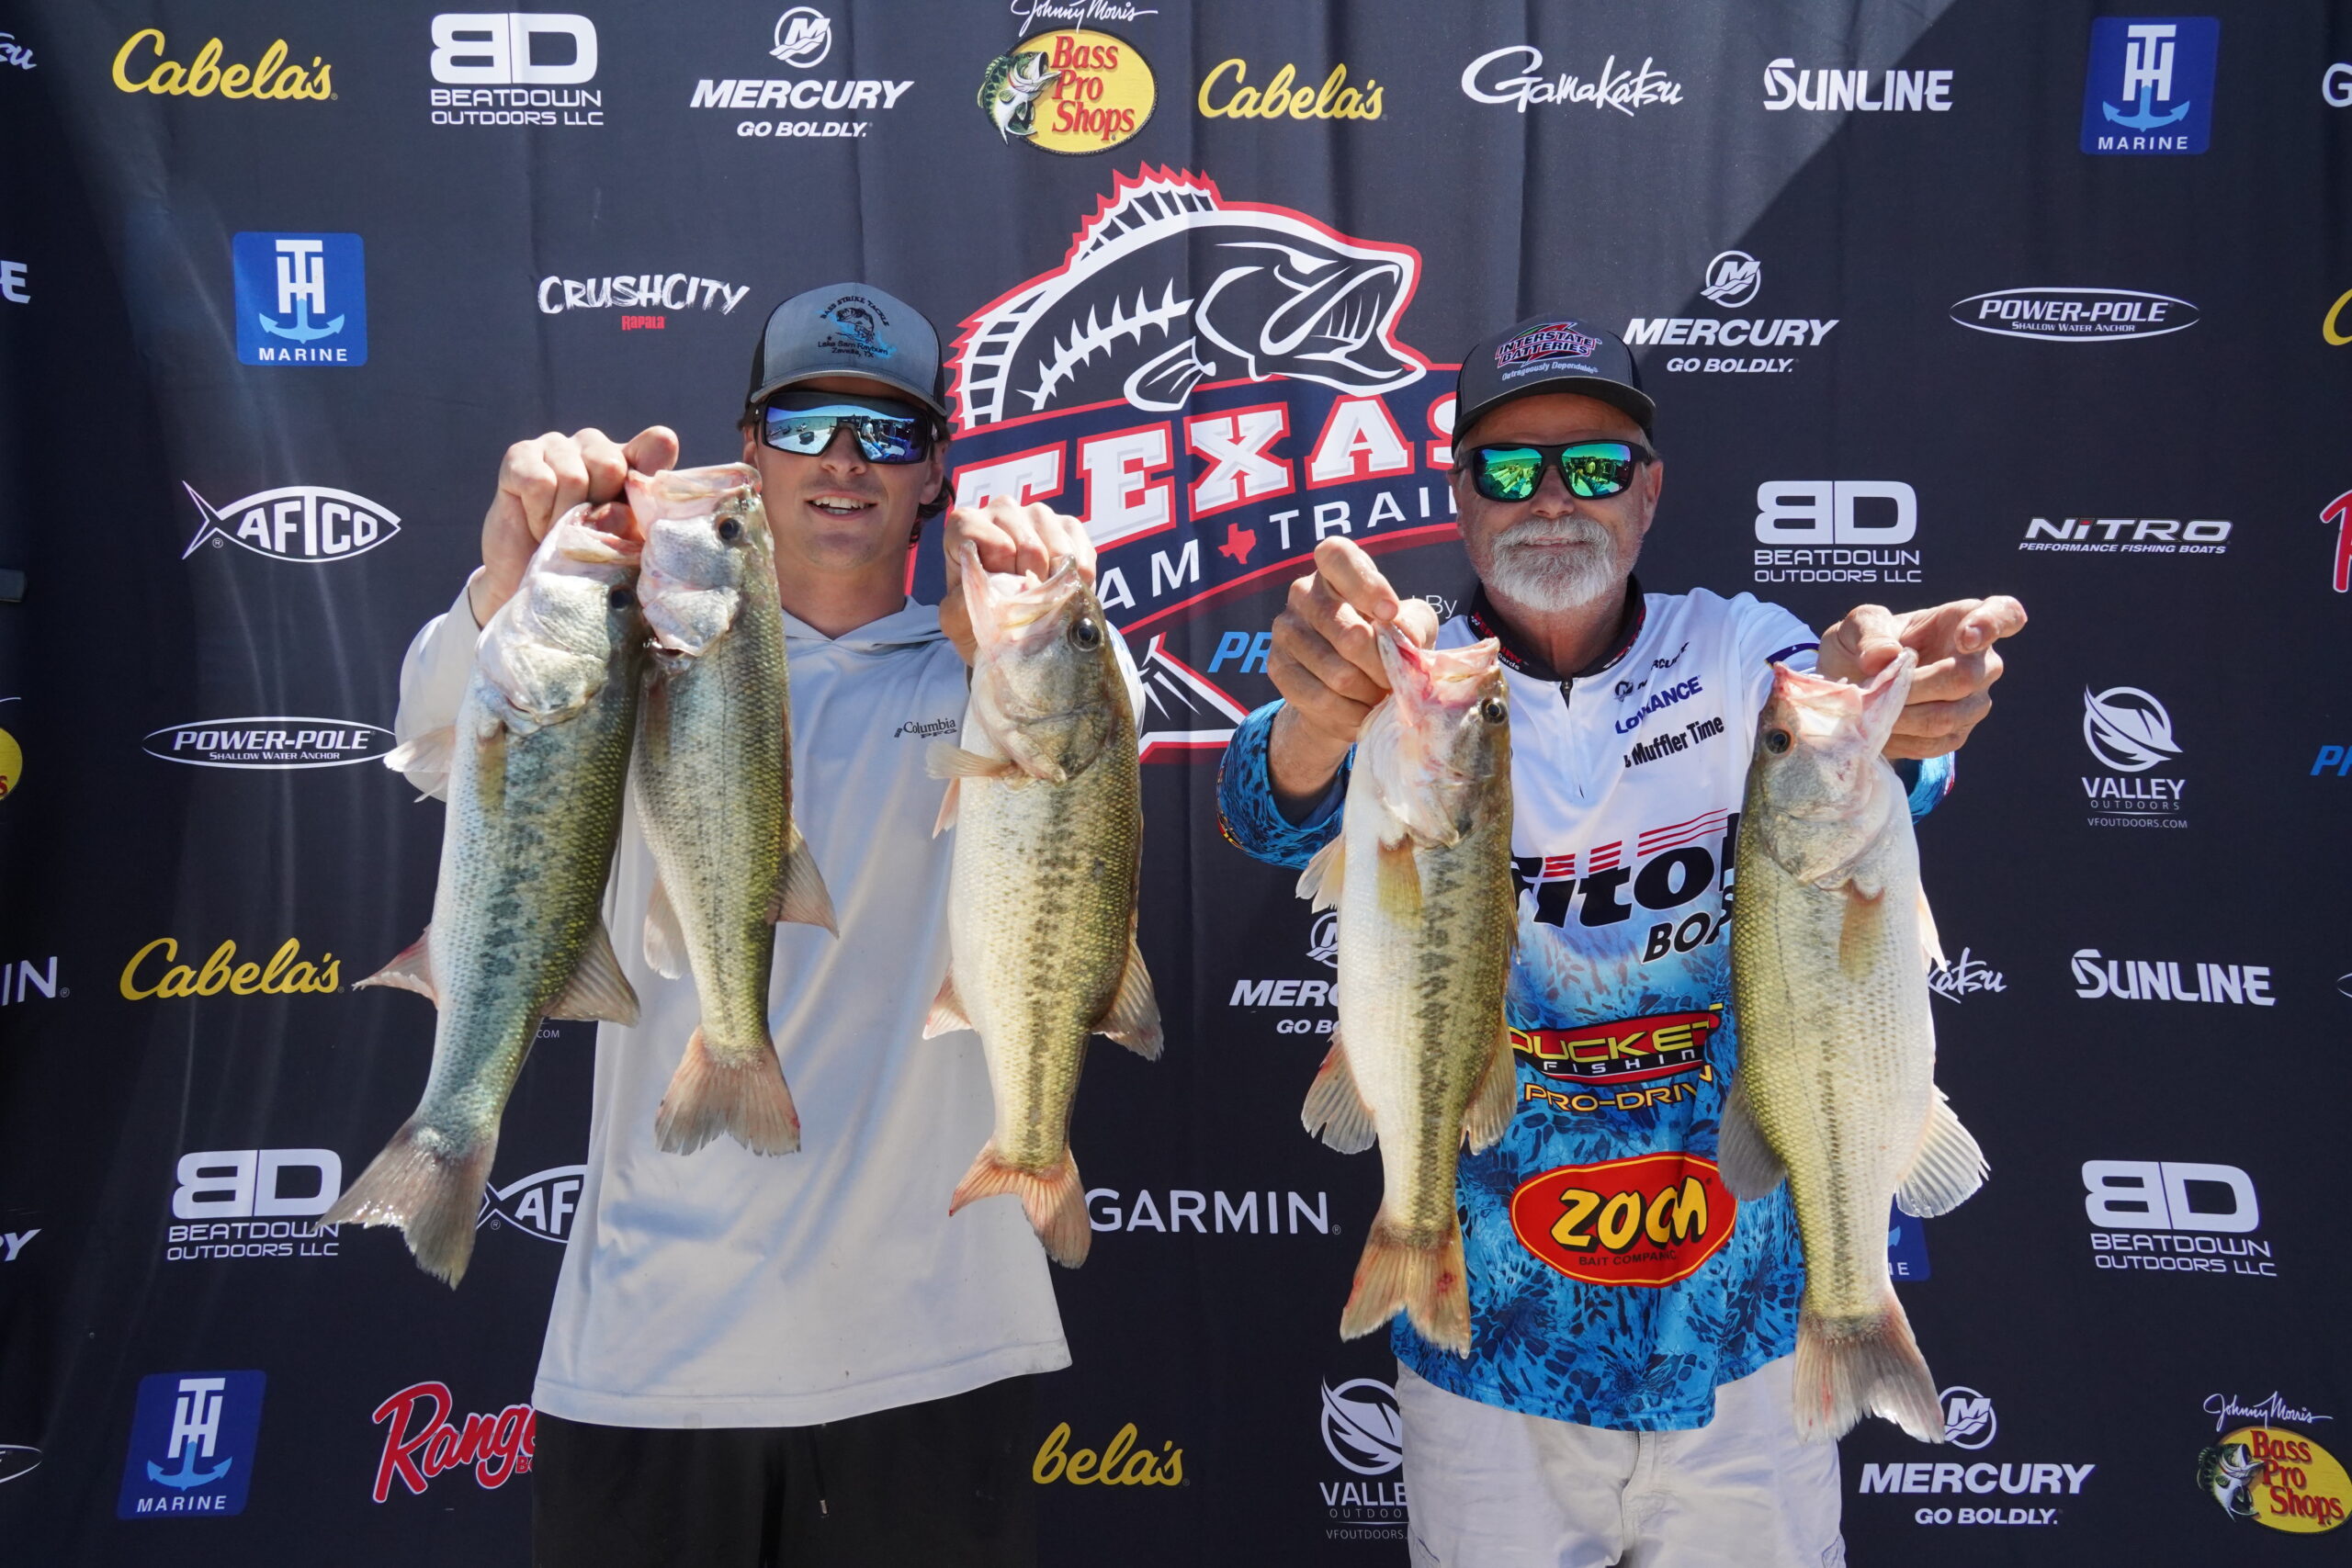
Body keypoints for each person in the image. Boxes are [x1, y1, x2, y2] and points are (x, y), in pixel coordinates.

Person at [1216, 314, 2026, 1567]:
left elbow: (1870, 759)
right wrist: (1314, 722)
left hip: (1749, 1341)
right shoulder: (1409, 676)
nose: (1553, 498)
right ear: (1460, 497)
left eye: (1594, 465)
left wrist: (1902, 709)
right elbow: (1266, 810)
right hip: (1489, 1343)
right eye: (1508, 467)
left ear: (1648, 493)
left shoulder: (1739, 651)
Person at [391, 283, 1124, 1568]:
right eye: (805, 422)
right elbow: (440, 745)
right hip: (649, 1357)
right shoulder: (622, 654)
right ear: (750, 447)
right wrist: (507, 587)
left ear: (936, 472)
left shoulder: (1007, 673)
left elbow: (1095, 779)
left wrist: (1050, 616)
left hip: (936, 1349)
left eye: (887, 431)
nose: (844, 459)